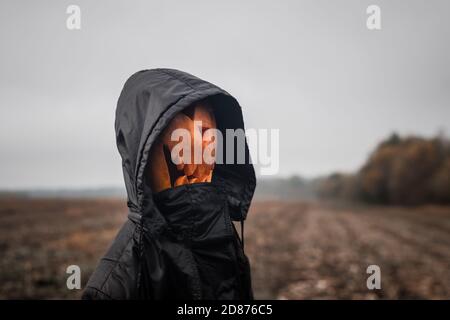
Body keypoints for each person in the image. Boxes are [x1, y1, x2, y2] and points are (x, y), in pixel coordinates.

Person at [82, 69, 256, 299]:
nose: (213, 147)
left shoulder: (225, 240)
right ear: (150, 145)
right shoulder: (117, 283)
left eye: (214, 135)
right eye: (203, 132)